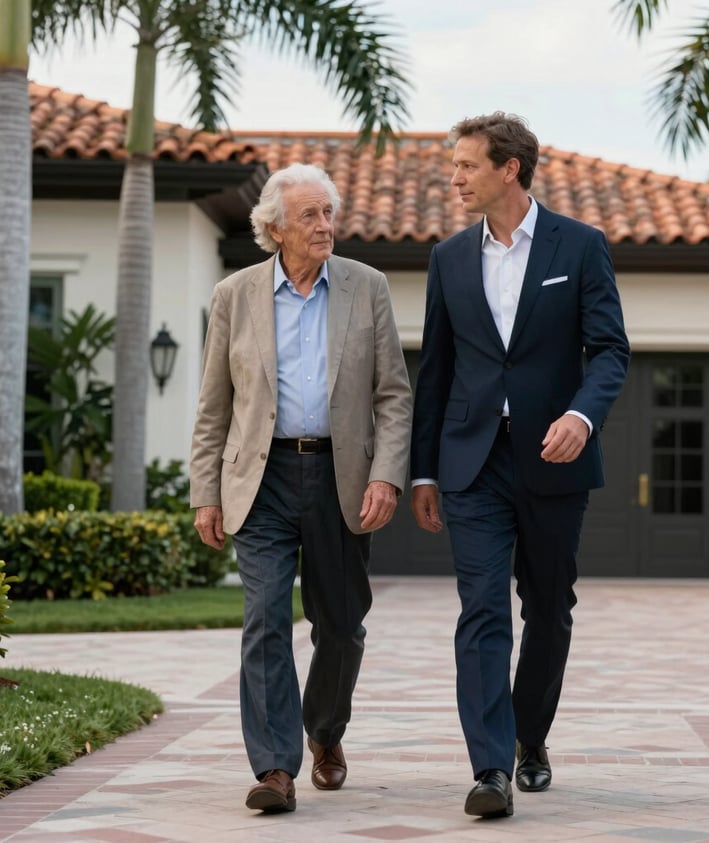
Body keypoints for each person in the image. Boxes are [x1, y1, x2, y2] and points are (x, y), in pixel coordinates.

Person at [410, 112, 630, 819]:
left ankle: (530, 735)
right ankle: (490, 768)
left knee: (549, 607)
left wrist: (581, 415)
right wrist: (423, 471)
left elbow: (611, 350)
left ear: (509, 169)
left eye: (466, 165)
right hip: (472, 461)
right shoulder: (448, 257)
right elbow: (436, 370)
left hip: (553, 457)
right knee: (481, 608)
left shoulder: (580, 245)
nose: (455, 177)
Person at [189, 163, 412, 814]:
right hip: (261, 479)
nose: (324, 225)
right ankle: (275, 766)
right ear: (276, 228)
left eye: (328, 212)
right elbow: (213, 405)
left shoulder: (366, 287)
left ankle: (325, 729)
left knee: (340, 625)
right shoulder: (234, 295)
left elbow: (394, 395)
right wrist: (206, 490)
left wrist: (386, 474)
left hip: (342, 475)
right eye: (310, 215)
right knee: (264, 618)